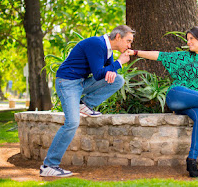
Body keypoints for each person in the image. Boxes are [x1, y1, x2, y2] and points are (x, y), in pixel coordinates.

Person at [126, 26, 198, 178]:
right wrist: (135, 52)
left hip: (191, 103)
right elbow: (159, 55)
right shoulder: (184, 57)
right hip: (176, 95)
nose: (188, 42)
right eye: (187, 39)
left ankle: (192, 160)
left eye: (191, 39)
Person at [40, 25, 134, 177]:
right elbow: (98, 74)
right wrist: (119, 62)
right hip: (67, 83)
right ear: (118, 37)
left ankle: (84, 104)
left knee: (118, 80)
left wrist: (112, 70)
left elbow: (106, 73)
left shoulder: (107, 50)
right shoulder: (97, 44)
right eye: (128, 41)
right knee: (72, 123)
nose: (129, 46)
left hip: (81, 83)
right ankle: (49, 166)